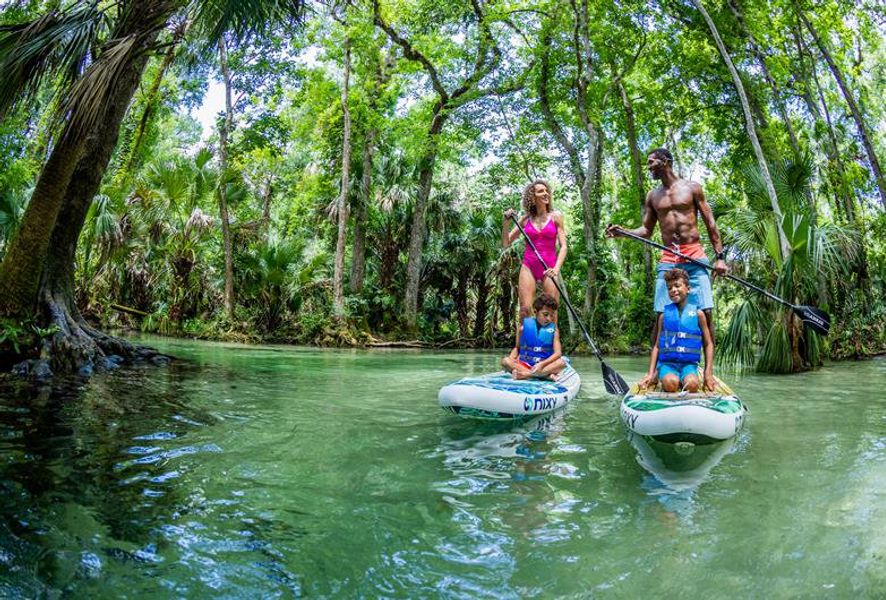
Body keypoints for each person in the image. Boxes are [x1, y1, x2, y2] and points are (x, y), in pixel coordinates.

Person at [606, 147, 728, 323]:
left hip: (695, 256)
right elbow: (646, 231)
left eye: (651, 162)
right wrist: (623, 232)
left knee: (705, 312)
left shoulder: (692, 188)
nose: (648, 167)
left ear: (665, 162)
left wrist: (720, 258)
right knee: (661, 314)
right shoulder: (653, 196)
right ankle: (660, 350)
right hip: (669, 258)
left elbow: (711, 223)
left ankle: (708, 350)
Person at [639, 268, 715, 393]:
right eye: (669, 288)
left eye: (677, 286)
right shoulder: (663, 316)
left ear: (688, 289)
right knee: (670, 384)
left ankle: (685, 378)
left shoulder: (699, 314)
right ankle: (659, 373)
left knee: (692, 385)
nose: (673, 290)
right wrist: (649, 373)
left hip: (689, 365)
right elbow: (657, 346)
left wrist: (708, 374)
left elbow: (708, 343)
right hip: (667, 364)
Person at [502, 180, 568, 321]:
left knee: (551, 311)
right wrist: (506, 223)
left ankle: (550, 343)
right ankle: (524, 344)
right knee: (525, 310)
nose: (545, 193)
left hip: (550, 267)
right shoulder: (525, 219)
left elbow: (563, 246)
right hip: (529, 266)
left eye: (546, 190)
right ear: (532, 197)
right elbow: (506, 243)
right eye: (540, 191)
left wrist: (556, 269)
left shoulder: (556, 217)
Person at [501, 293, 567, 381]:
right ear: (535, 312)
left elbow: (558, 353)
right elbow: (517, 348)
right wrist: (511, 360)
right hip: (525, 364)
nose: (549, 319)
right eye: (545, 314)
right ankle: (544, 376)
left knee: (561, 363)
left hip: (544, 365)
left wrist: (542, 364)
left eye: (552, 315)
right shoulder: (522, 328)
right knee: (505, 361)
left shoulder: (554, 330)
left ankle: (526, 374)